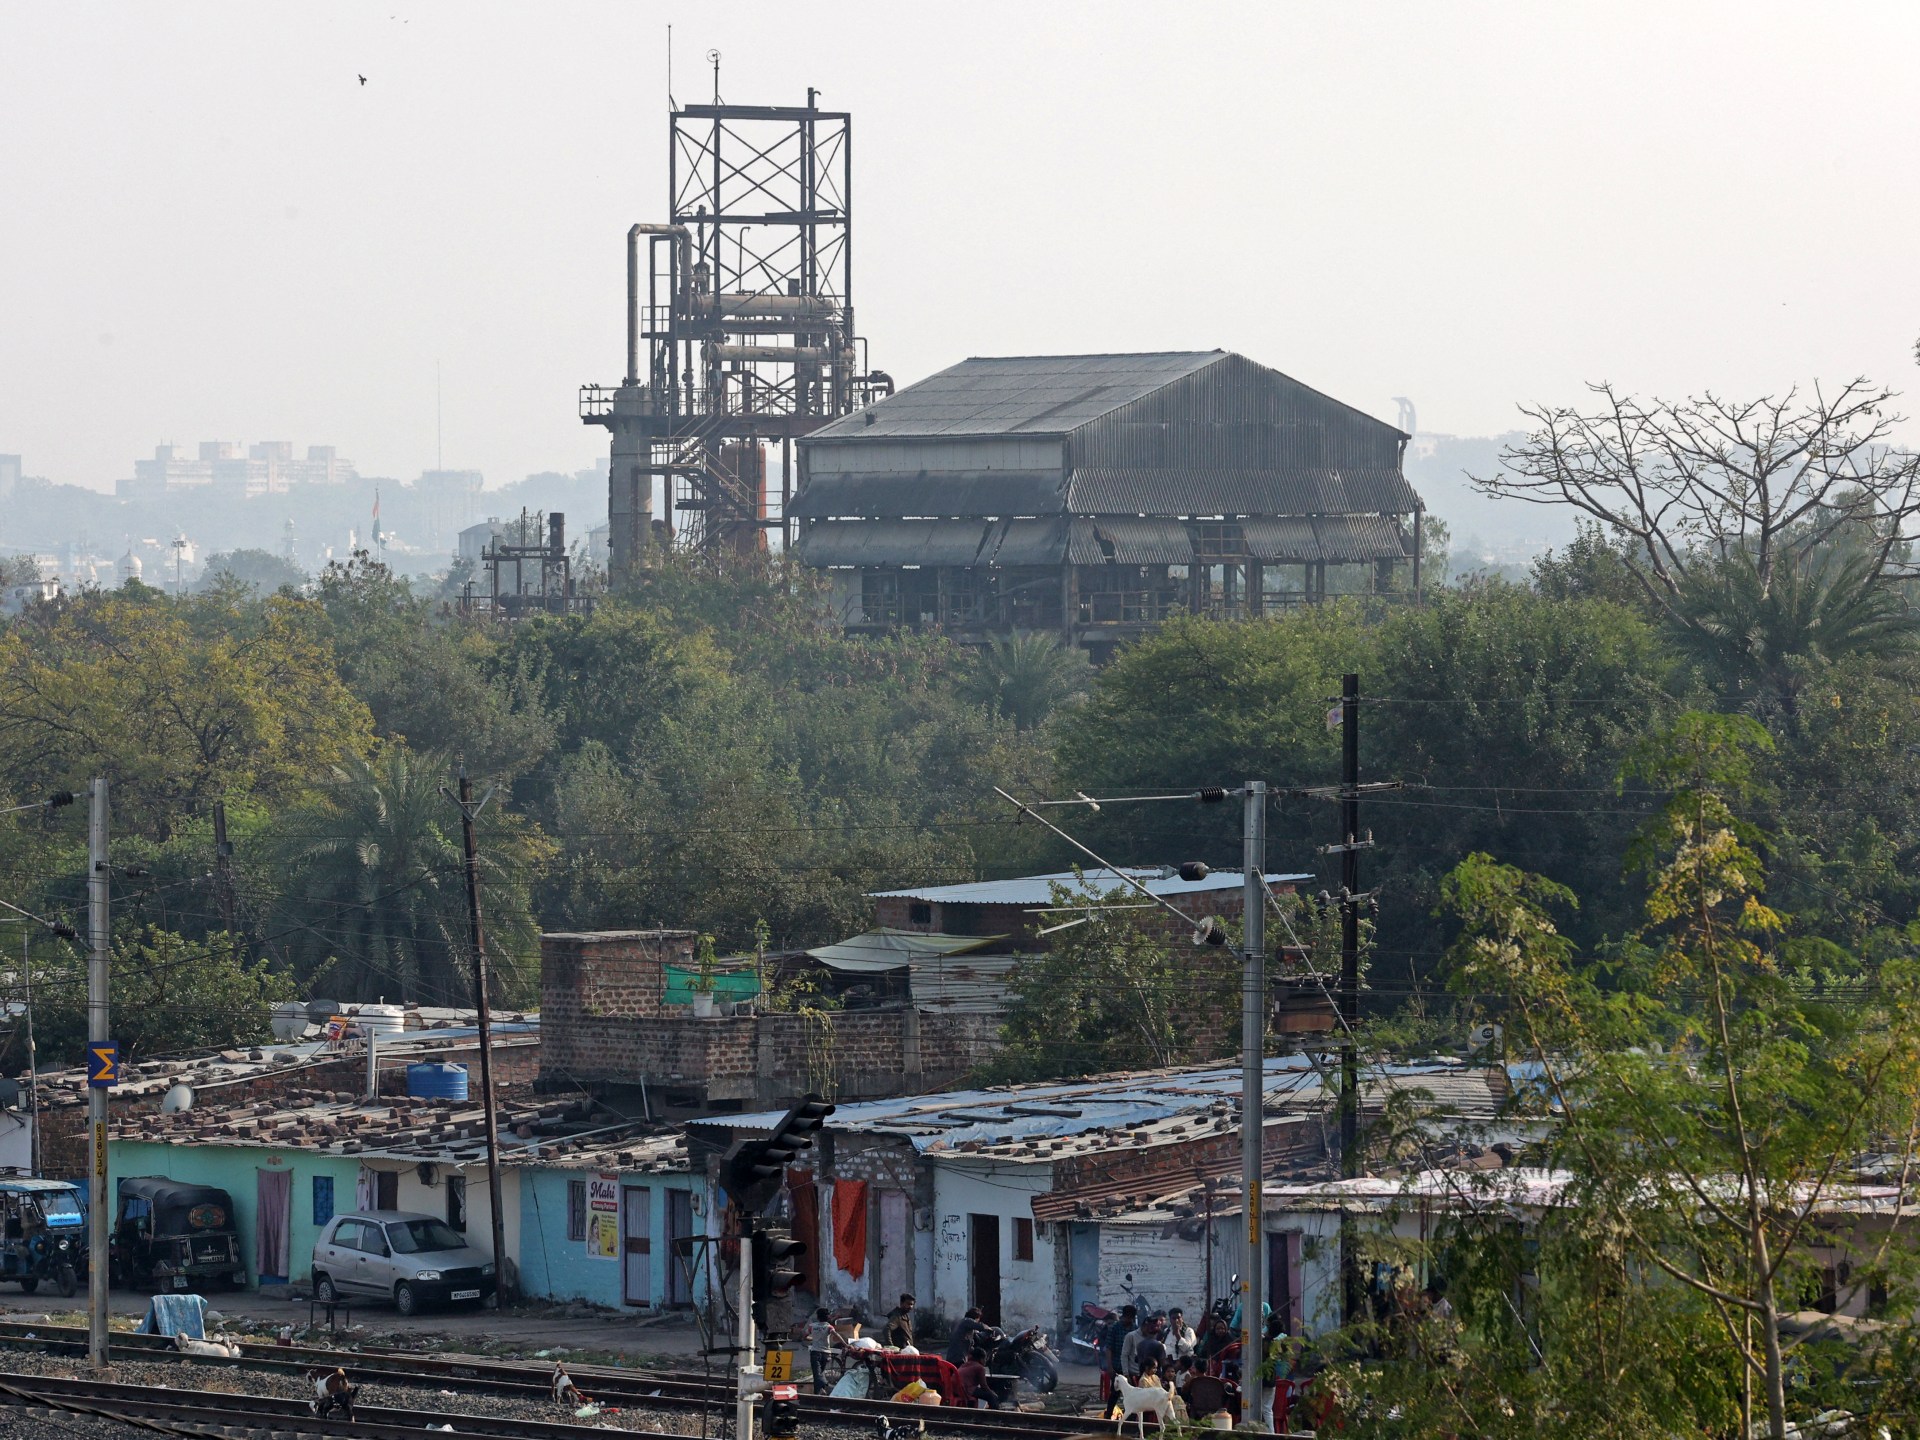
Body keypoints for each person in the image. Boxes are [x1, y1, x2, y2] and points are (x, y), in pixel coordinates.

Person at [806, 1306, 837, 1393]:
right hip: (826, 1354)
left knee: (817, 1375)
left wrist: (812, 1339)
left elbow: (804, 1336)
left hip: (815, 1353)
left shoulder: (812, 1326)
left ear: (817, 1317)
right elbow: (836, 1335)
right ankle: (820, 1390)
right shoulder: (829, 1327)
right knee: (820, 1373)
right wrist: (846, 1344)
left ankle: (824, 1388)